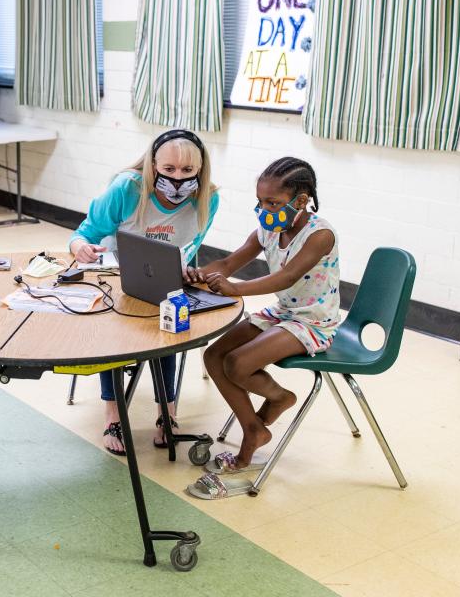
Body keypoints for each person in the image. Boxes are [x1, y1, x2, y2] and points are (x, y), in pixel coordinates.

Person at [69, 130, 219, 456]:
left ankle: (168, 415)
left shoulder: (209, 198)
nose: (178, 179)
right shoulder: (128, 188)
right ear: (153, 165)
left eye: (187, 171)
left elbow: (190, 246)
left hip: (163, 279)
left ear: (200, 169)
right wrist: (80, 247)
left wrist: (185, 268)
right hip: (116, 273)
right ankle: (113, 417)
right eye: (168, 170)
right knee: (114, 333)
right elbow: (84, 232)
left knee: (169, 327)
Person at [194, 157, 340, 491]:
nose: (263, 209)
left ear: (301, 201)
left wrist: (235, 288)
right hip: (283, 313)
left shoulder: (320, 235)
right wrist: (201, 273)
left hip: (313, 320)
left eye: (272, 202)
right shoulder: (269, 229)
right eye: (260, 201)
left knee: (238, 363)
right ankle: (255, 428)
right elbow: (230, 262)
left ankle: (279, 398)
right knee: (214, 356)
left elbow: (285, 277)